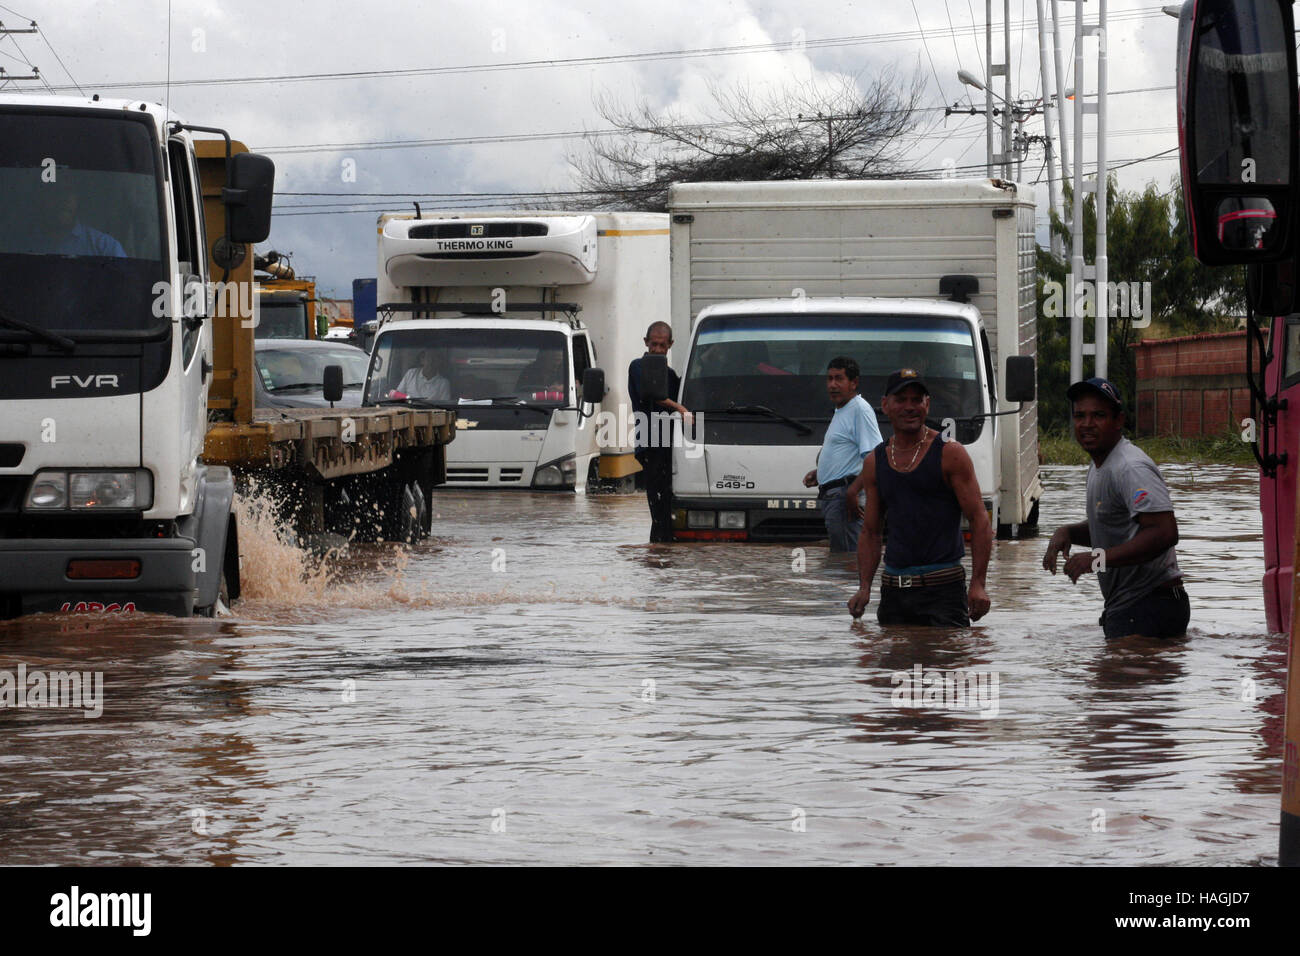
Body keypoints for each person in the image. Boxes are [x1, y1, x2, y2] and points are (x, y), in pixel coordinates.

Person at [1042, 378, 1188, 640]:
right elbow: (1117, 527)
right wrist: (1069, 533)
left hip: (1150, 605)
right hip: (1130, 606)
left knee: (1113, 680)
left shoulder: (1130, 467)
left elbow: (1164, 533)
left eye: (1098, 415)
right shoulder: (1101, 464)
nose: (1087, 424)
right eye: (1080, 416)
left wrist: (1096, 560)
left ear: (1118, 420)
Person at [847, 368, 992, 626]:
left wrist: (978, 584)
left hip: (943, 590)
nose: (909, 407)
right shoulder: (875, 462)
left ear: (927, 404)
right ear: (885, 405)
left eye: (917, 400)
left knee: (947, 663)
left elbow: (979, 519)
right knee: (890, 664)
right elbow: (870, 532)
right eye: (901, 400)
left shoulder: (950, 454)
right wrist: (864, 587)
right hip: (894, 592)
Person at [801, 357, 882, 552]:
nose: (832, 385)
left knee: (846, 564)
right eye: (829, 379)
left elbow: (875, 459)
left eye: (839, 379)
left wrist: (853, 491)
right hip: (835, 496)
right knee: (840, 560)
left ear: (853, 383)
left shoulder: (859, 409)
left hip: (845, 497)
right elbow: (848, 455)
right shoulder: (842, 410)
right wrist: (820, 472)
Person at [627, 321, 693, 543]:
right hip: (649, 443)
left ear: (670, 345)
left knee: (668, 502)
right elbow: (654, 394)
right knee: (658, 505)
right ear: (645, 342)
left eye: (662, 346)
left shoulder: (671, 375)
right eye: (653, 344)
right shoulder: (637, 366)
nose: (656, 349)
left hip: (670, 445)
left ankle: (663, 552)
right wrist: (680, 409)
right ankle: (659, 550)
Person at [33, 191, 126, 258]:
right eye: (56, 191)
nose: (63, 200)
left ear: (78, 199)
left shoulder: (105, 247)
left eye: (69, 191)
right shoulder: (28, 243)